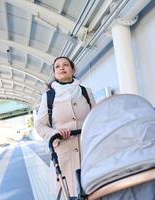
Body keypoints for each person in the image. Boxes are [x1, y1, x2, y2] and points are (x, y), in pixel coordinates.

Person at [35, 56, 96, 196]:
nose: (61, 68)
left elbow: (95, 116)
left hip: (88, 149)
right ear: (55, 73)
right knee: (68, 192)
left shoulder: (86, 92)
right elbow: (40, 125)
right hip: (62, 153)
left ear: (72, 70)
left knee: (94, 190)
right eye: (57, 66)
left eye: (65, 65)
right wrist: (55, 133)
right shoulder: (48, 96)